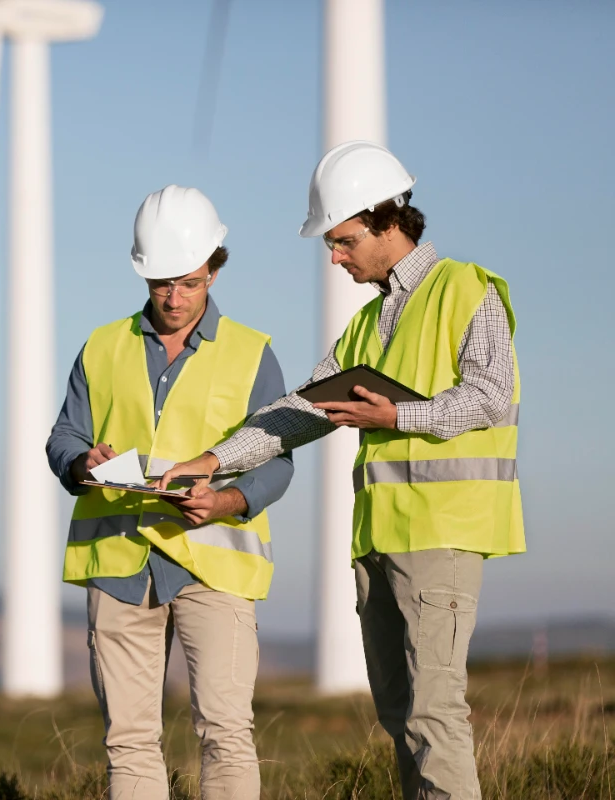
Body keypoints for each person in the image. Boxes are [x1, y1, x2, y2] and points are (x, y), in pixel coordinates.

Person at [157, 142, 523, 800]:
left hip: (443, 534)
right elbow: (302, 410)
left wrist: (398, 417)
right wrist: (212, 460)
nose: (334, 258)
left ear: (388, 220)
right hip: (379, 539)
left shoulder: (467, 289)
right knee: (400, 715)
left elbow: (492, 396)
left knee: (435, 713)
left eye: (343, 241)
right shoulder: (368, 323)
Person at [46, 185, 295, 800]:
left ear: (214, 268)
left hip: (214, 565)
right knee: (128, 741)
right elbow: (65, 436)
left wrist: (226, 501)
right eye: (161, 283)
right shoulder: (101, 346)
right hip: (119, 561)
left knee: (226, 733)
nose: (174, 297)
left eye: (188, 282)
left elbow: (277, 461)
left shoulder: (252, 353)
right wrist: (81, 461)